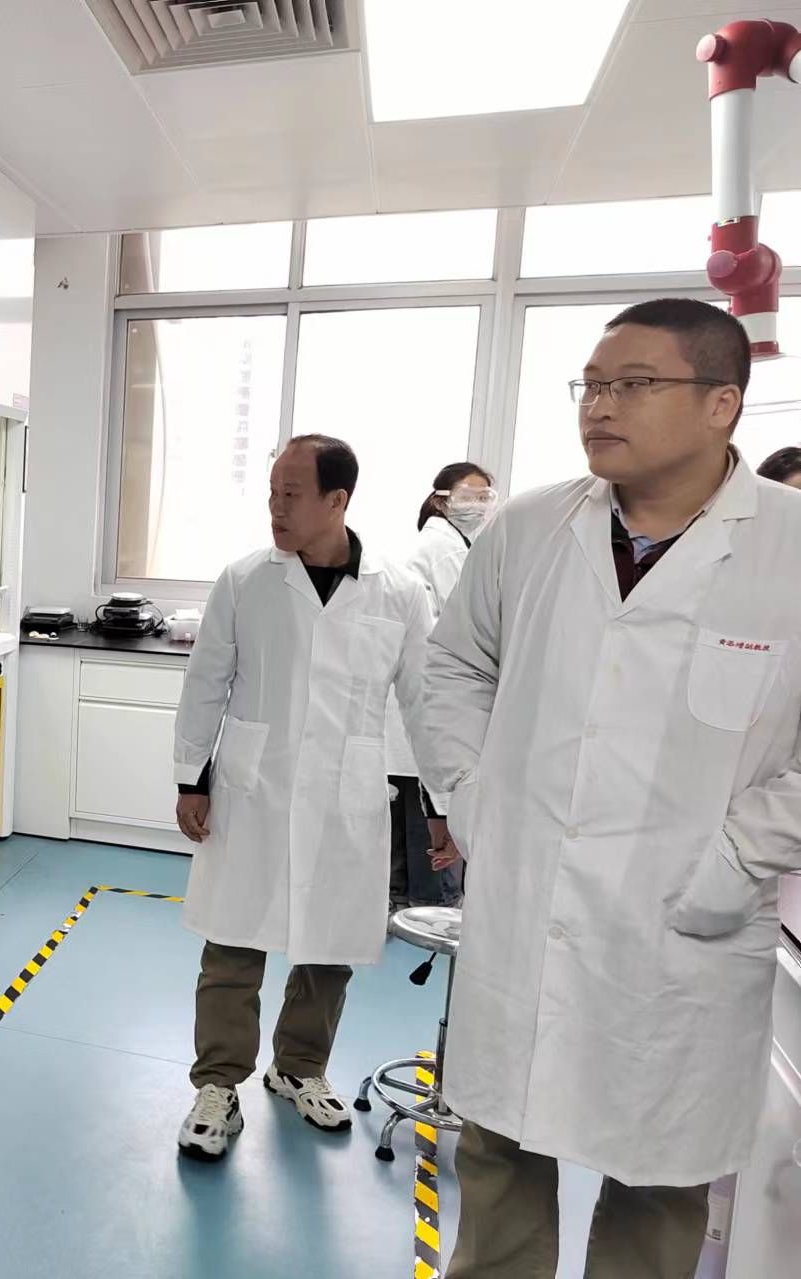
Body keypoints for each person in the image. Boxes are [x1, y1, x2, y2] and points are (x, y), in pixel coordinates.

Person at [425, 298, 801, 1277]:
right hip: (526, 904)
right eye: (589, 385)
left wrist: (736, 860)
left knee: (658, 1189)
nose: (599, 405)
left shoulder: (790, 546)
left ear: (721, 403)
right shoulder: (529, 525)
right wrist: (472, 797)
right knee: (498, 1159)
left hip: (686, 928)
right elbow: (452, 666)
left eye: (633, 384)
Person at [172, 436, 442, 1158]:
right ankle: (218, 1083)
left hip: (346, 793)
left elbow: (423, 702)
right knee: (232, 938)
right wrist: (191, 776)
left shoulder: (399, 591)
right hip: (254, 788)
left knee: (331, 944)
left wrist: (441, 801)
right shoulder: (245, 580)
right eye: (271, 492)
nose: (276, 507)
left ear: (337, 500)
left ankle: (299, 1067)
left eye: (291, 494)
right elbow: (206, 681)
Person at [384, 463, 499, 912]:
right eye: (468, 496)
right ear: (440, 499)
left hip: (413, 706)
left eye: (486, 497)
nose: (479, 506)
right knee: (433, 824)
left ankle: (404, 908)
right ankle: (431, 911)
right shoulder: (445, 550)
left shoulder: (445, 545)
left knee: (409, 832)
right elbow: (470, 627)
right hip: (431, 700)